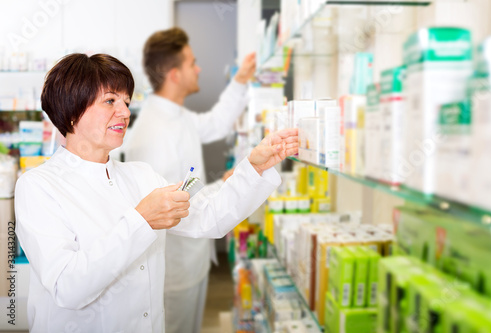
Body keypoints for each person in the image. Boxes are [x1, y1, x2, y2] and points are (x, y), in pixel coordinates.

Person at [14, 53, 298, 333]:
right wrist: (142, 220)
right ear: (72, 110)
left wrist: (253, 168)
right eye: (110, 101)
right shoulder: (38, 186)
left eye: (126, 101)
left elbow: (208, 217)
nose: (124, 112)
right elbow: (68, 287)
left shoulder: (140, 175)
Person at [123, 27, 255, 332]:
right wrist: (226, 184)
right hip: (174, 271)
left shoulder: (176, 116)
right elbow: (169, 210)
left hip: (192, 261)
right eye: (191, 62)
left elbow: (216, 123)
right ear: (174, 74)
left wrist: (240, 80)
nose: (199, 68)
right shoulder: (152, 134)